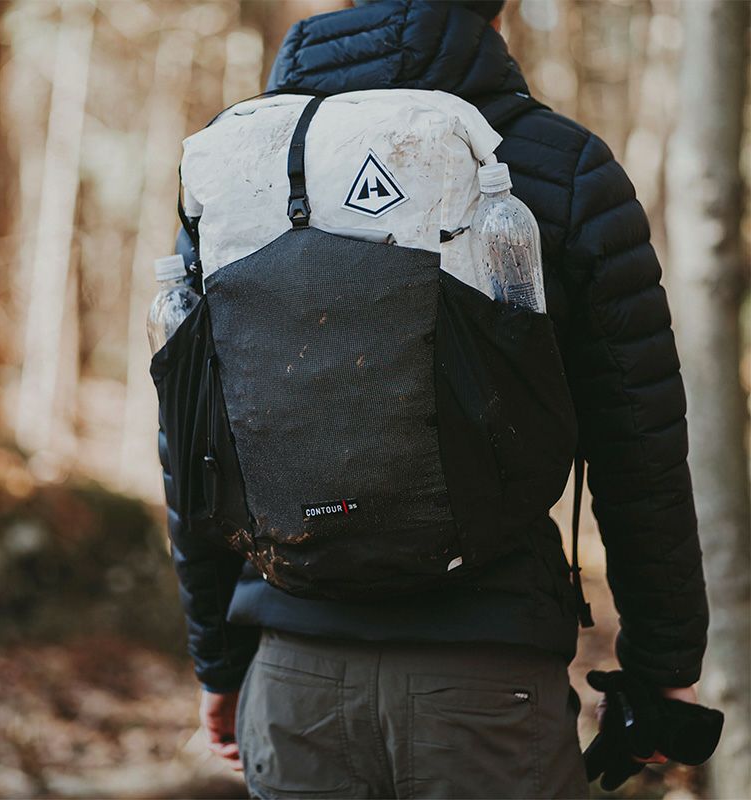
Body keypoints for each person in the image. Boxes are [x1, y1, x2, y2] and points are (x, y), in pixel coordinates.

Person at [167, 1, 709, 797]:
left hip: (293, 677)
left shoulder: (238, 163)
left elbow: (193, 441)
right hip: (489, 682)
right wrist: (664, 668)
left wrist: (218, 662)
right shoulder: (559, 164)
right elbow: (640, 446)